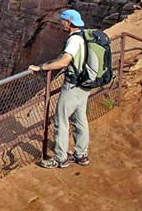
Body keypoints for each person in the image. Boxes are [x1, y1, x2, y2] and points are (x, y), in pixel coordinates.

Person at [28, 9, 91, 168]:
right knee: (80, 118)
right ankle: (81, 154)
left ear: (69, 22)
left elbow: (64, 61)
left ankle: (60, 158)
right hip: (85, 83)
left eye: (63, 20)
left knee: (61, 120)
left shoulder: (74, 40)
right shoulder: (85, 35)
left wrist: (42, 68)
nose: (61, 23)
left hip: (73, 85)